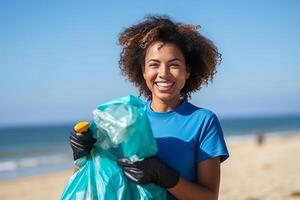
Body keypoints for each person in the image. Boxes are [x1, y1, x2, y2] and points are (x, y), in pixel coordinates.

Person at [70, 15, 229, 200]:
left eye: (174, 65)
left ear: (187, 70)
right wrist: (82, 156)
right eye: (154, 64)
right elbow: (92, 179)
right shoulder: (126, 120)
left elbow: (209, 197)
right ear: (143, 71)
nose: (163, 73)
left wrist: (166, 177)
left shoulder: (203, 121)